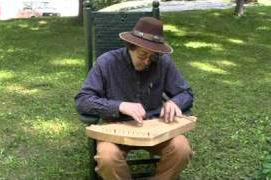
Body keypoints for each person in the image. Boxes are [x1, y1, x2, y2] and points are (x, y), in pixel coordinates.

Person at [75, 16, 194, 180]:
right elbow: (82, 100)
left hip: (155, 126)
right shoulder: (107, 62)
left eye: (152, 57)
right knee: (107, 158)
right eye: (142, 55)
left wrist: (175, 102)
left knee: (182, 150)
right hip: (115, 126)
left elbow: (186, 92)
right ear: (131, 46)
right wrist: (119, 106)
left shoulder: (162, 62)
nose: (147, 61)